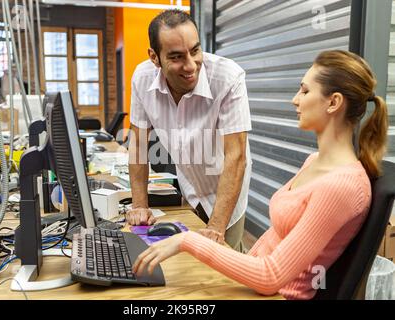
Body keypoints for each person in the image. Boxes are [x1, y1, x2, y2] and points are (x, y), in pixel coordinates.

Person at [132, 50, 389, 300]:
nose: (295, 99)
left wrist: (188, 241)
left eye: (305, 90)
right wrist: (214, 249)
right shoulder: (315, 162)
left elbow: (270, 276)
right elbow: (274, 242)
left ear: (333, 102)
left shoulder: (342, 186)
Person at [126, 9, 252, 251]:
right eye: (176, 57)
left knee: (226, 274)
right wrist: (140, 206)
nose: (190, 65)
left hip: (226, 194)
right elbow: (138, 144)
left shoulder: (228, 77)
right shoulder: (142, 78)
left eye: (195, 51)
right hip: (190, 189)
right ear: (155, 57)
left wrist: (216, 227)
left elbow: (236, 157)